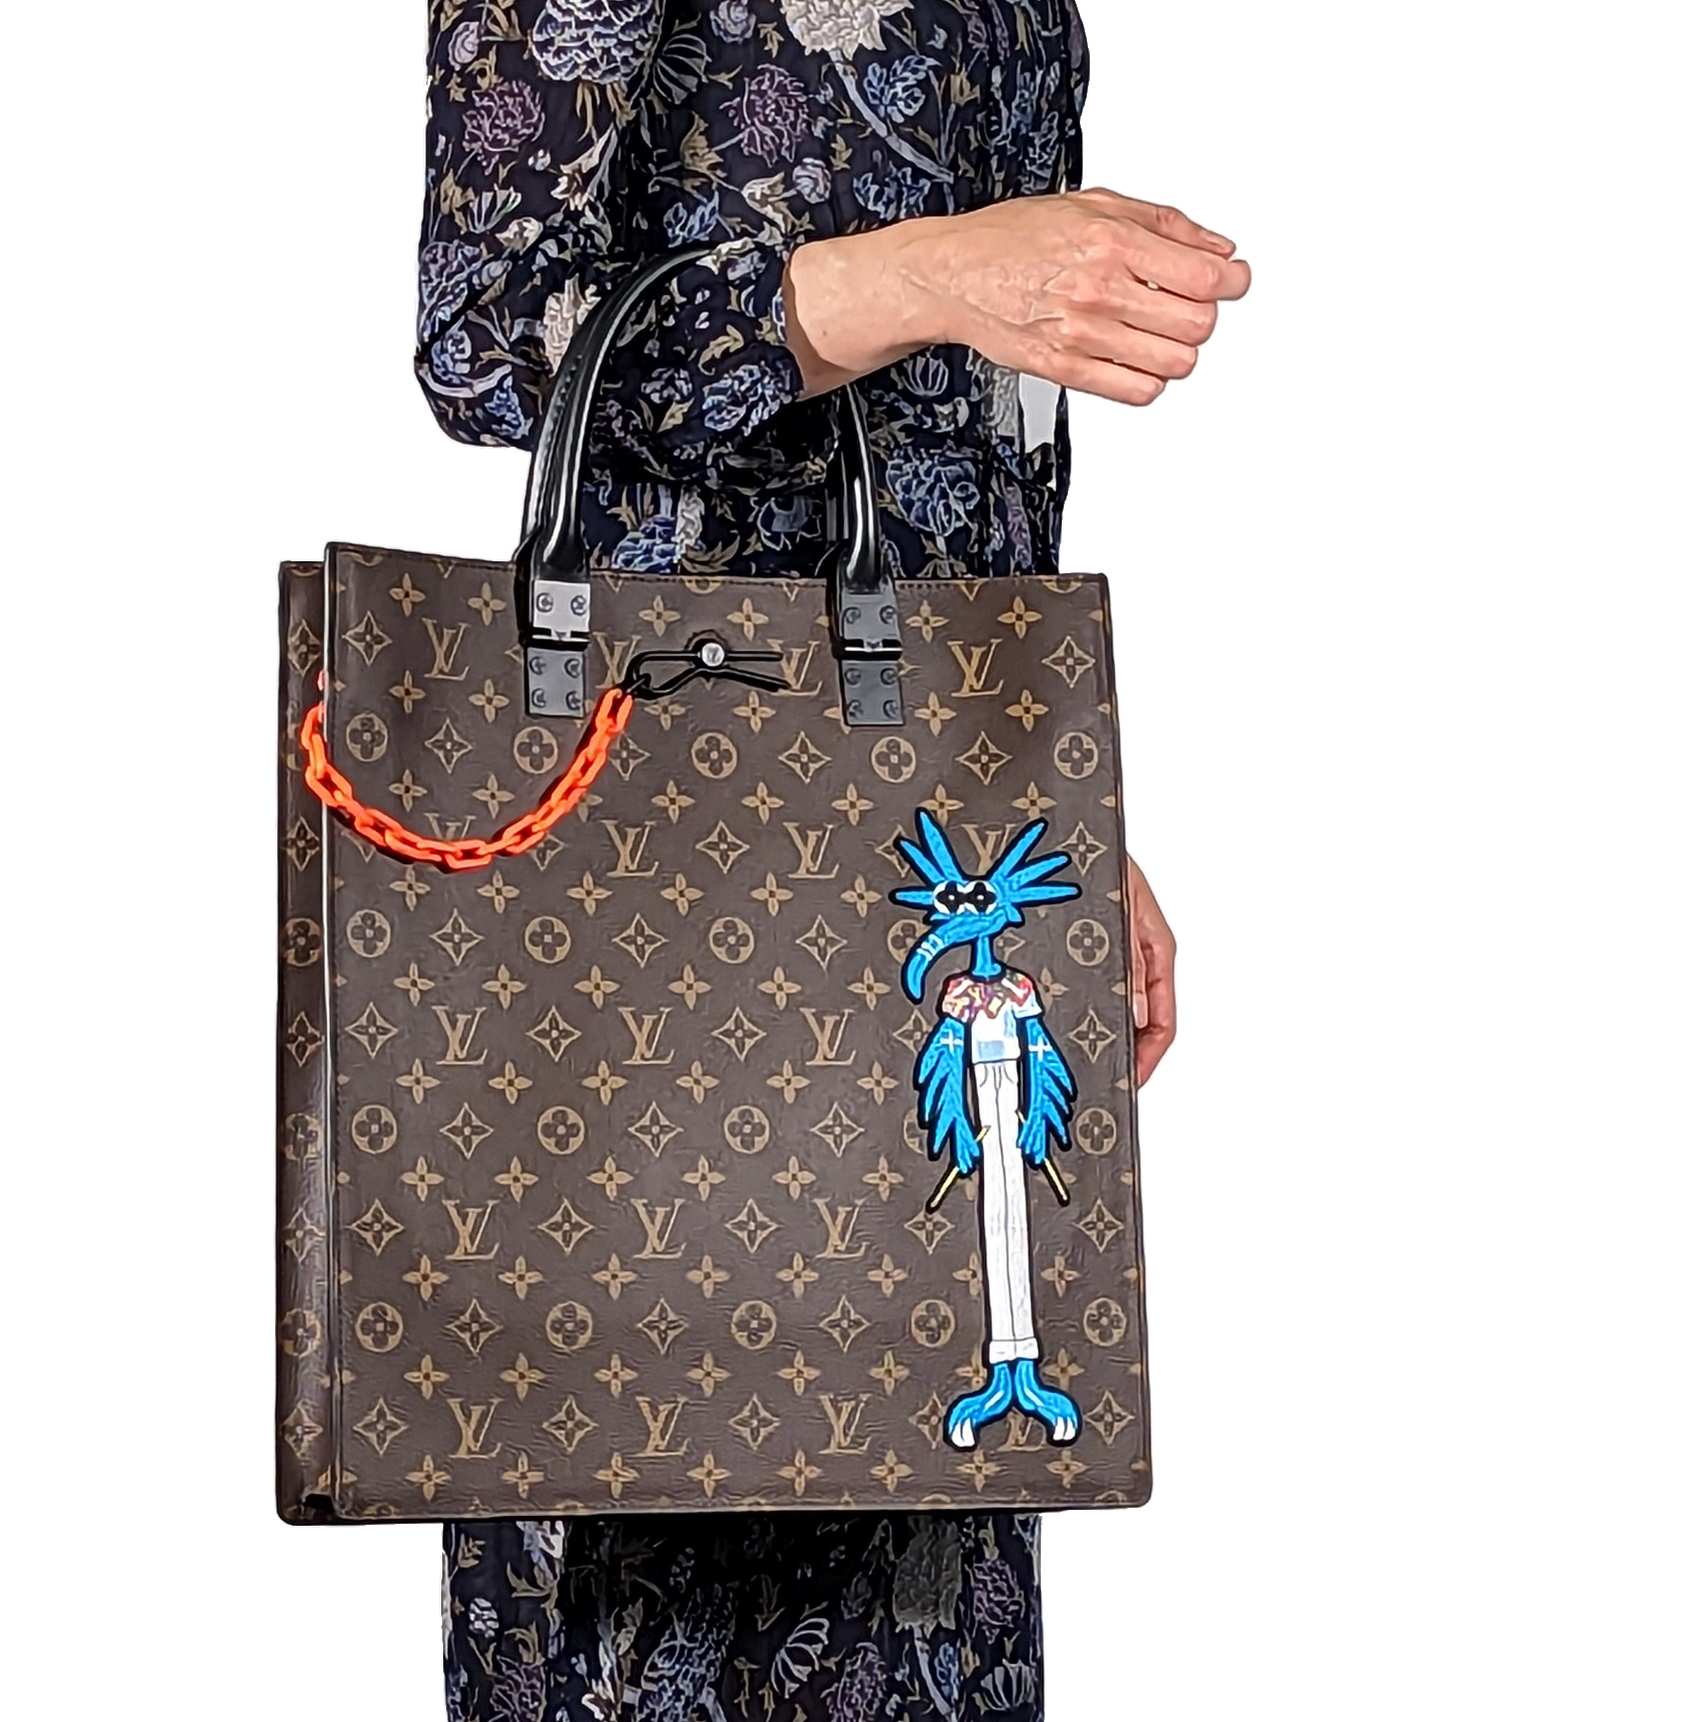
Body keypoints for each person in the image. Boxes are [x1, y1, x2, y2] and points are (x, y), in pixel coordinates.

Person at [415, 4, 1246, 1717]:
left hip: (936, 837)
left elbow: (980, 455)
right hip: (648, 856)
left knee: (930, 1517)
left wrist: (1047, 807)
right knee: (670, 1541)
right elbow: (492, 338)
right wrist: (934, 274)